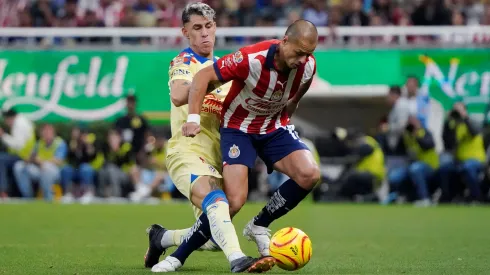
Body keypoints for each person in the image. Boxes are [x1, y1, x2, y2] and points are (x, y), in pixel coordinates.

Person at [146, 3, 274, 273]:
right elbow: (179, 95)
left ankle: (162, 238)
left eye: (208, 26)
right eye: (196, 28)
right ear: (186, 32)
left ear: (215, 28)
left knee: (213, 236)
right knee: (216, 202)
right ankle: (238, 259)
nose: (204, 33)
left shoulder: (223, 69)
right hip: (187, 152)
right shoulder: (185, 62)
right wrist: (208, 80)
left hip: (219, 158)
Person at [181, 19, 320, 265]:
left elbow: (295, 97)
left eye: (308, 54)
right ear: (285, 41)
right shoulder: (250, 58)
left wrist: (285, 121)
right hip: (238, 129)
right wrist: (193, 118)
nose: (302, 59)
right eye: (299, 52)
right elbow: (203, 77)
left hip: (273, 129)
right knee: (234, 201)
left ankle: (258, 225)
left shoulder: (308, 66)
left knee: (309, 174)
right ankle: (177, 256)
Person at [386, 116, 439, 207]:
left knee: (415, 169)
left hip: (429, 166)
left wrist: (417, 135)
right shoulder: (406, 135)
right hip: (411, 166)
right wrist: (400, 133)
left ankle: (425, 199)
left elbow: (429, 145)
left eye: (412, 122)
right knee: (394, 176)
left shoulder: (425, 132)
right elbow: (396, 150)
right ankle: (396, 197)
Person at [439, 102, 486, 202]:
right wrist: (447, 122)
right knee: (445, 169)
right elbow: (447, 144)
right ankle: (451, 197)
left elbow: (475, 131)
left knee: (467, 168)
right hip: (459, 160)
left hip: (476, 159)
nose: (457, 112)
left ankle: (477, 197)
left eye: (459, 110)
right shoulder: (454, 126)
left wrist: (465, 117)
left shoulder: (473, 121)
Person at [13, 124, 67, 201]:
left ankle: (48, 198)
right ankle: (28, 197)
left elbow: (58, 161)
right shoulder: (38, 143)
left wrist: (41, 161)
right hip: (38, 170)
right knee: (19, 166)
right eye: (44, 132)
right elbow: (30, 158)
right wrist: (31, 159)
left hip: (55, 171)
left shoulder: (60, 143)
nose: (46, 134)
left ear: (53, 132)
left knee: (47, 167)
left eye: (48, 131)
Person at [60, 125, 103, 204]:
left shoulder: (90, 144)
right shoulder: (71, 143)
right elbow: (69, 159)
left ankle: (88, 193)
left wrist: (88, 145)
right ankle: (68, 193)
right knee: (66, 169)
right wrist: (73, 150)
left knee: (85, 168)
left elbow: (92, 156)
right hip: (75, 170)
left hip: (88, 170)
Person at [0, 109, 36, 198]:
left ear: (10, 118)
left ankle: (3, 191)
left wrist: (3, 135)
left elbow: (18, 145)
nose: (6, 122)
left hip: (23, 156)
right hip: (23, 155)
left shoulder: (19, 124)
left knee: (1, 159)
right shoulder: (22, 121)